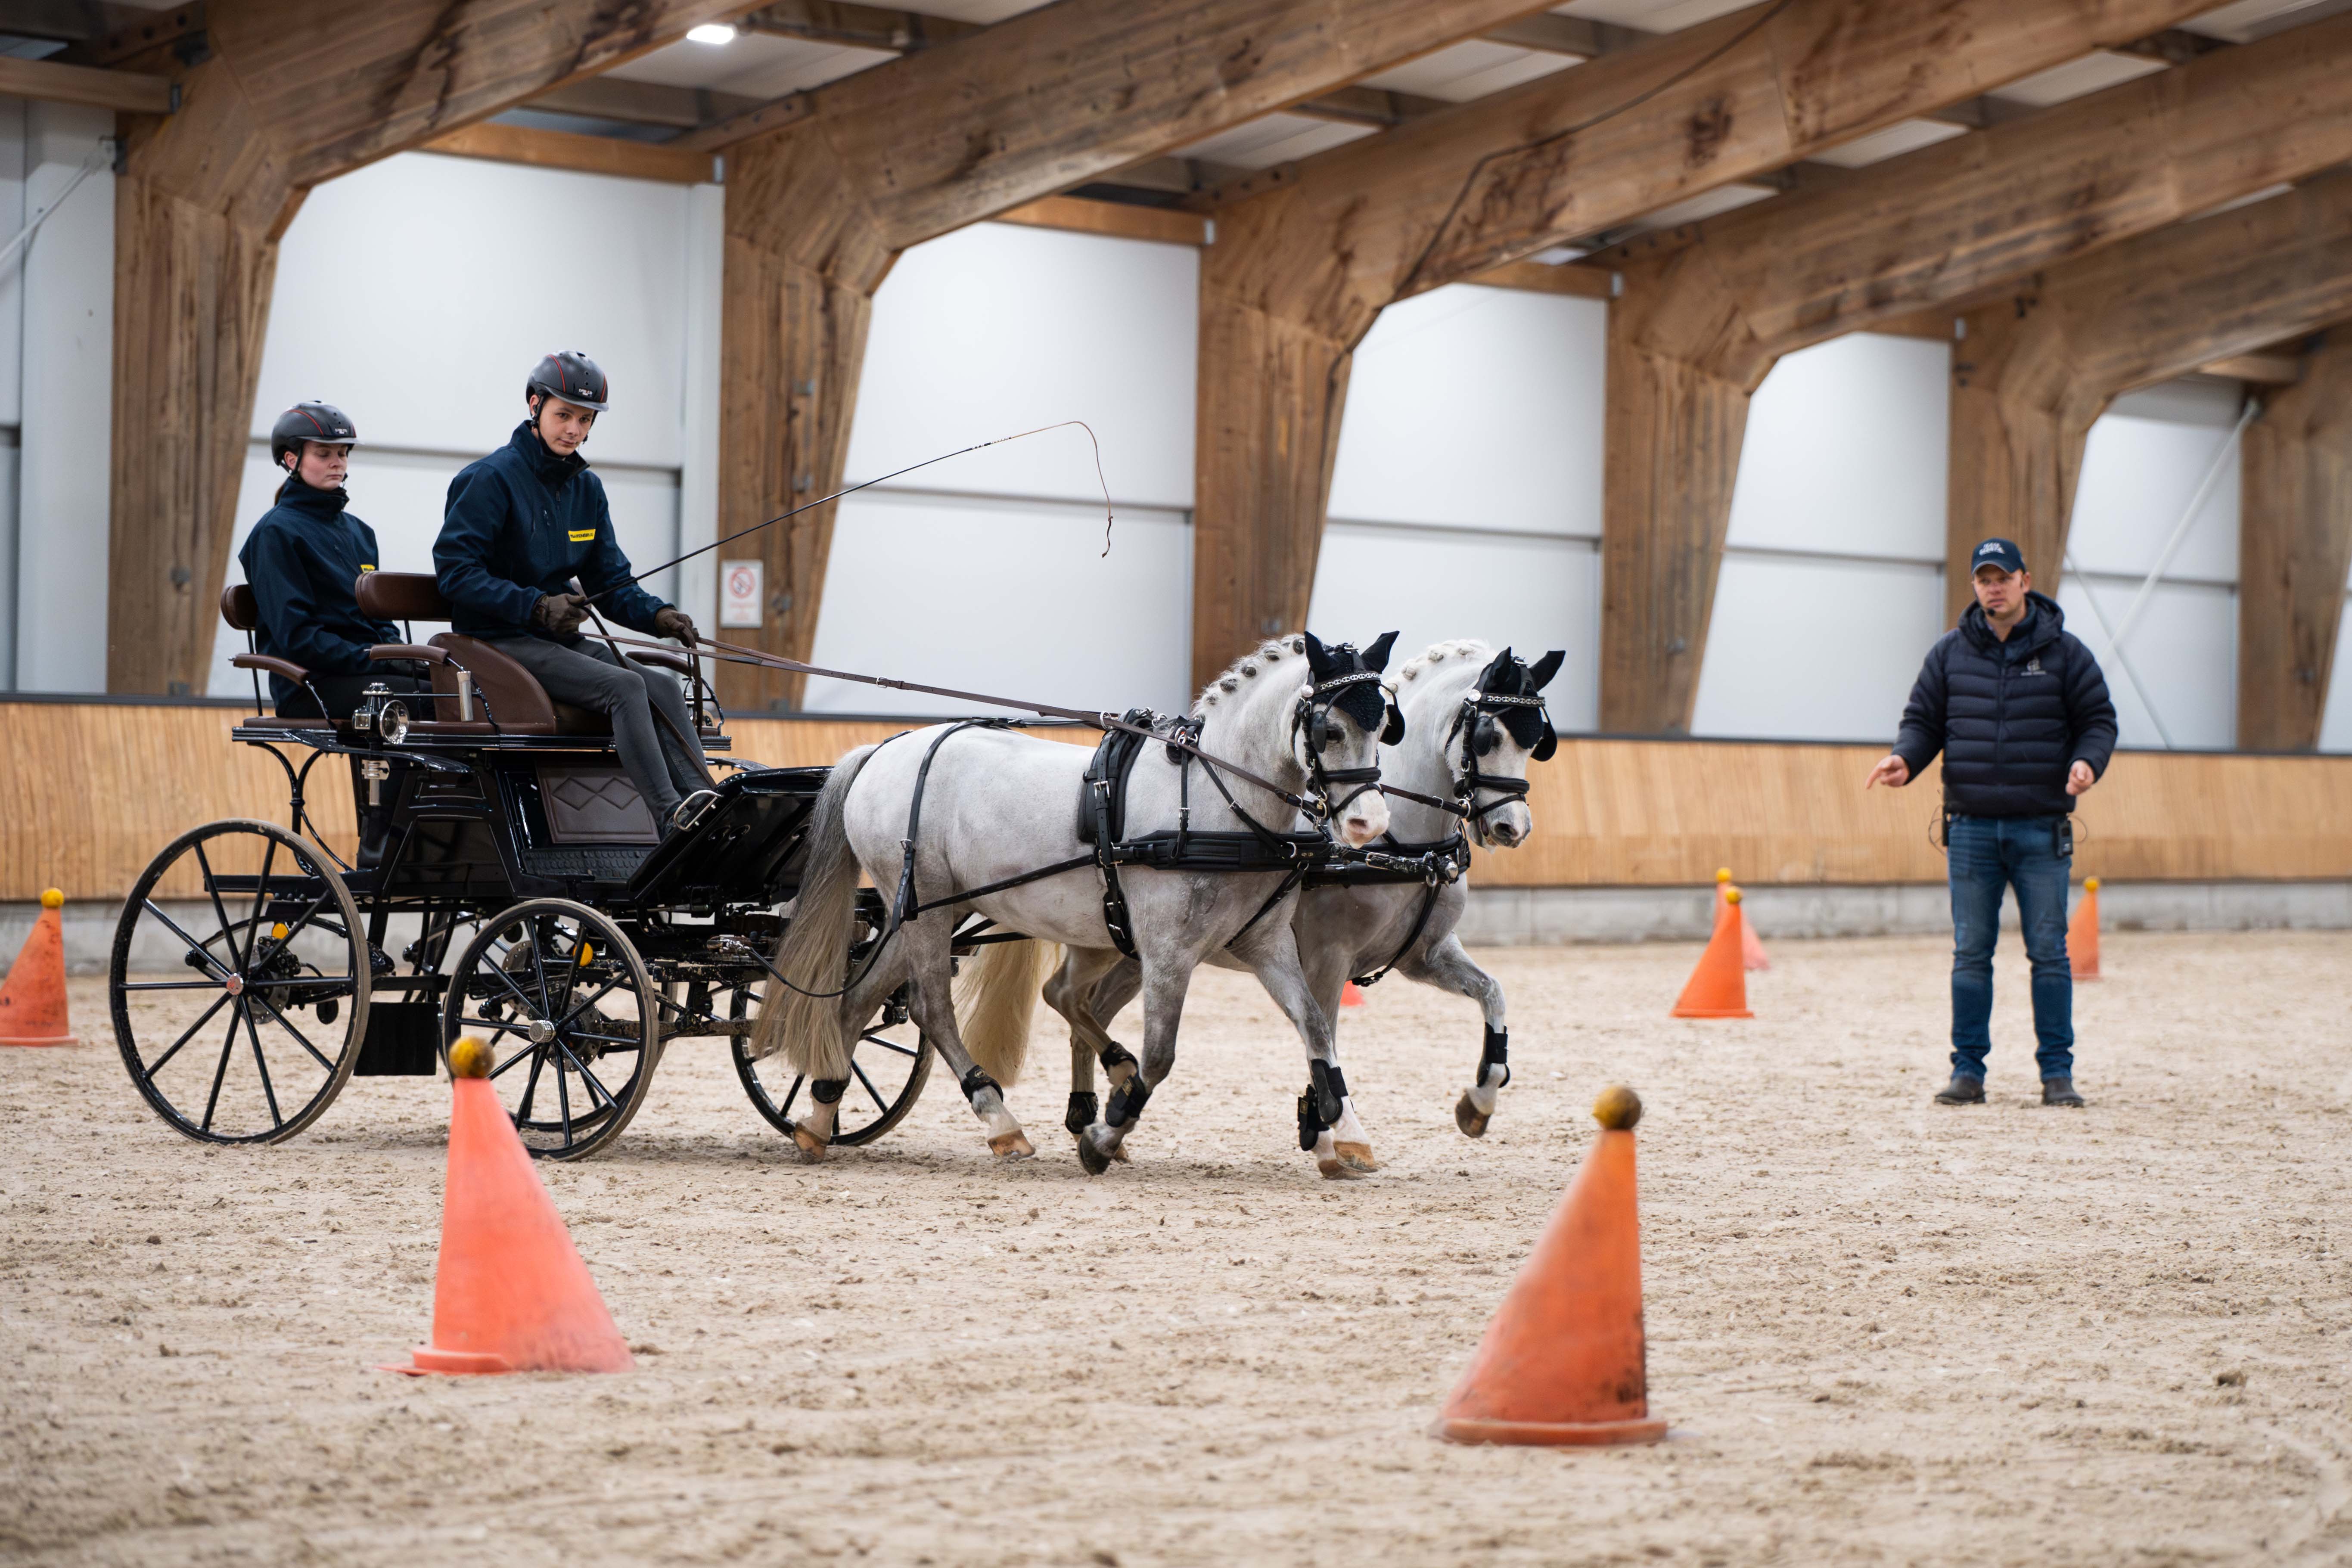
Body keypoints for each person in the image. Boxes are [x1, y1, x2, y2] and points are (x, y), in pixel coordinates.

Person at [1865, 537, 2118, 1109]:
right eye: (1983, 578)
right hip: (1972, 828)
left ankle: (2057, 1075)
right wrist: (1905, 756)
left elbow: (2098, 720)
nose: (1992, 587)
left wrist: (2087, 762)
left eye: (2002, 576)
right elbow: (1923, 719)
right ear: (1975, 587)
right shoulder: (1949, 654)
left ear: (2025, 581)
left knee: (2049, 956)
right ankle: (1967, 1072)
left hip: (2041, 827)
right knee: (1970, 956)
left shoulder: (2066, 654)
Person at [433, 351, 715, 835]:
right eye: (563, 415)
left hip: (553, 641)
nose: (573, 430)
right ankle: (671, 816)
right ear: (534, 406)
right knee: (625, 686)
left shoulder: (587, 489)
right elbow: (455, 573)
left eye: (584, 420)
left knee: (663, 686)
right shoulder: (488, 480)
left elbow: (610, 582)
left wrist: (658, 615)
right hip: (495, 640)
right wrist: (536, 606)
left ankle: (704, 807)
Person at [237, 401, 428, 719]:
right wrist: (378, 659)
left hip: (363, 671)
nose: (337, 463)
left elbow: (379, 619)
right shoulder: (275, 534)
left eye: (342, 453)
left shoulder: (361, 533)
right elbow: (299, 638)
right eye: (324, 454)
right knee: (433, 700)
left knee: (458, 688)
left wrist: (398, 654)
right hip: (310, 684)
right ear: (291, 459)